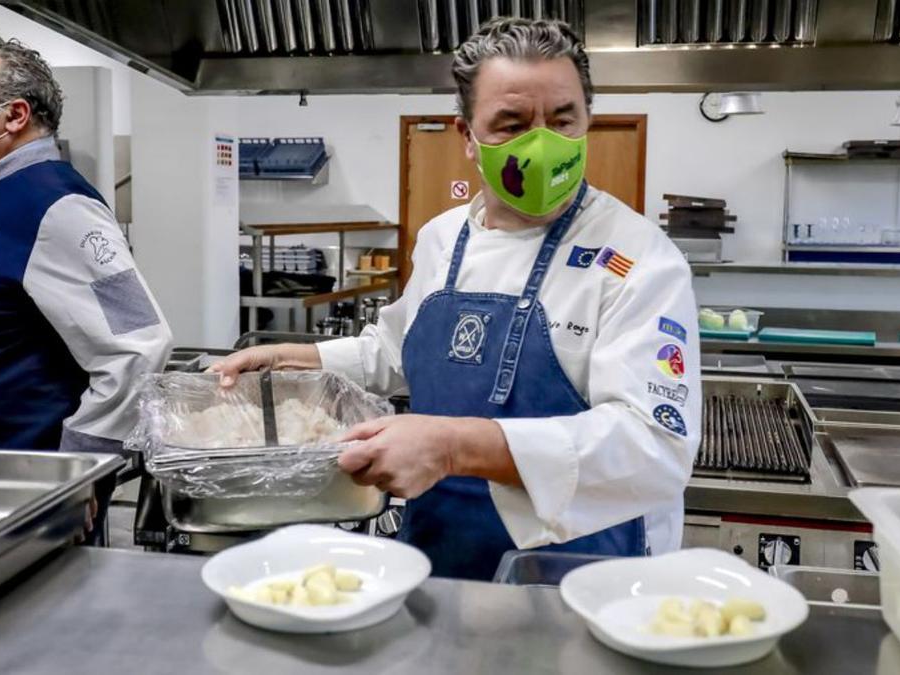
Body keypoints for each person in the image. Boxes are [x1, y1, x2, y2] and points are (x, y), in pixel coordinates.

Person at [210, 18, 701, 580]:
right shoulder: (445, 237)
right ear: (466, 136)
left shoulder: (640, 259)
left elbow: (653, 447)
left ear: (587, 119)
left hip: (585, 574)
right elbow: (396, 353)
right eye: (511, 124)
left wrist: (451, 448)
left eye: (563, 120)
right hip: (440, 555)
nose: (541, 145)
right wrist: (293, 358)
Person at [0, 39, 172, 538]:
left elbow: (139, 343)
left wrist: (80, 471)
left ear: (15, 115)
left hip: (24, 488)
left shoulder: (58, 206)